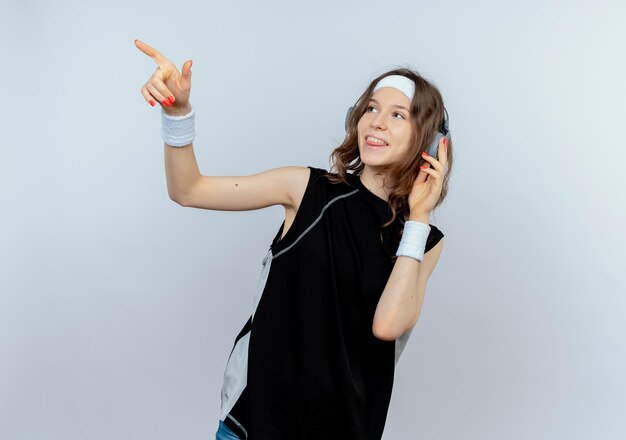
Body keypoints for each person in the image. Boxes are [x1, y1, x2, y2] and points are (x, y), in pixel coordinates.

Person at [135, 39, 452, 440]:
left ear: (428, 142)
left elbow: (387, 326)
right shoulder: (306, 189)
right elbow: (189, 190)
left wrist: (419, 218)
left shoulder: (425, 239)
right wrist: (177, 113)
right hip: (256, 423)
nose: (376, 122)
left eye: (397, 115)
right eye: (371, 108)